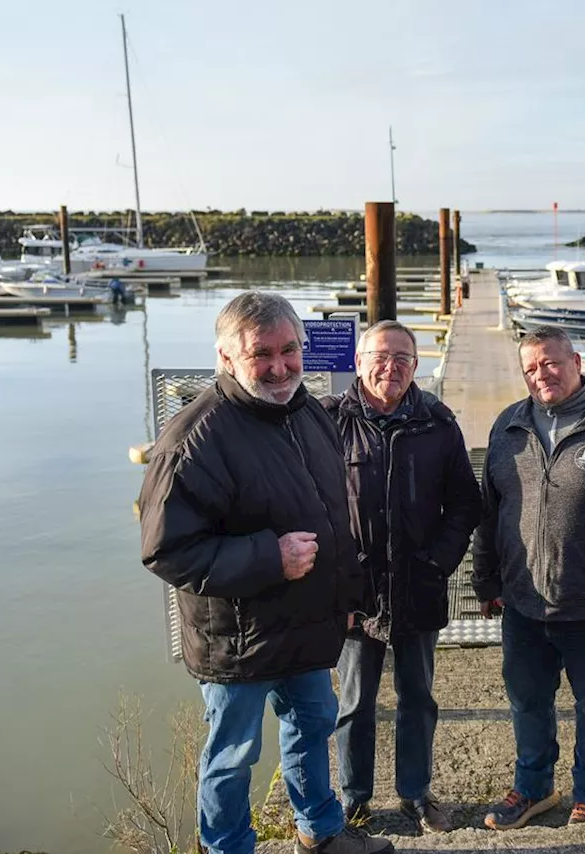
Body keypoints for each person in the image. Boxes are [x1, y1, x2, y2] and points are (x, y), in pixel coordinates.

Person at [138, 292, 393, 854]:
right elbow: (166, 550)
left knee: (313, 725)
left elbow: (334, 517)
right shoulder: (195, 438)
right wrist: (268, 557)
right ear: (227, 358)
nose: (279, 368)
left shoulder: (308, 413)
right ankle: (227, 847)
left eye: (288, 350)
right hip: (239, 637)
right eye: (262, 355)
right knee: (233, 755)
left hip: (307, 622)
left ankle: (320, 832)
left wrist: (345, 597)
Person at [320, 320, 481, 835]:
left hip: (418, 587)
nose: (390, 366)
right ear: (360, 360)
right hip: (354, 593)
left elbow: (464, 504)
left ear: (416, 365)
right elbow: (306, 504)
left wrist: (437, 561)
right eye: (380, 355)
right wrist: (332, 577)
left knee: (418, 698)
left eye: (402, 358)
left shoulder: (437, 422)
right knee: (354, 702)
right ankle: (355, 799)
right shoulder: (327, 421)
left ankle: (416, 793)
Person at [471, 325, 585, 830]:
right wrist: (485, 581)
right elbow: (490, 510)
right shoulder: (510, 425)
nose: (540, 375)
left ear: (575, 360)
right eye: (530, 368)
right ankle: (534, 788)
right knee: (527, 701)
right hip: (523, 602)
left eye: (550, 363)